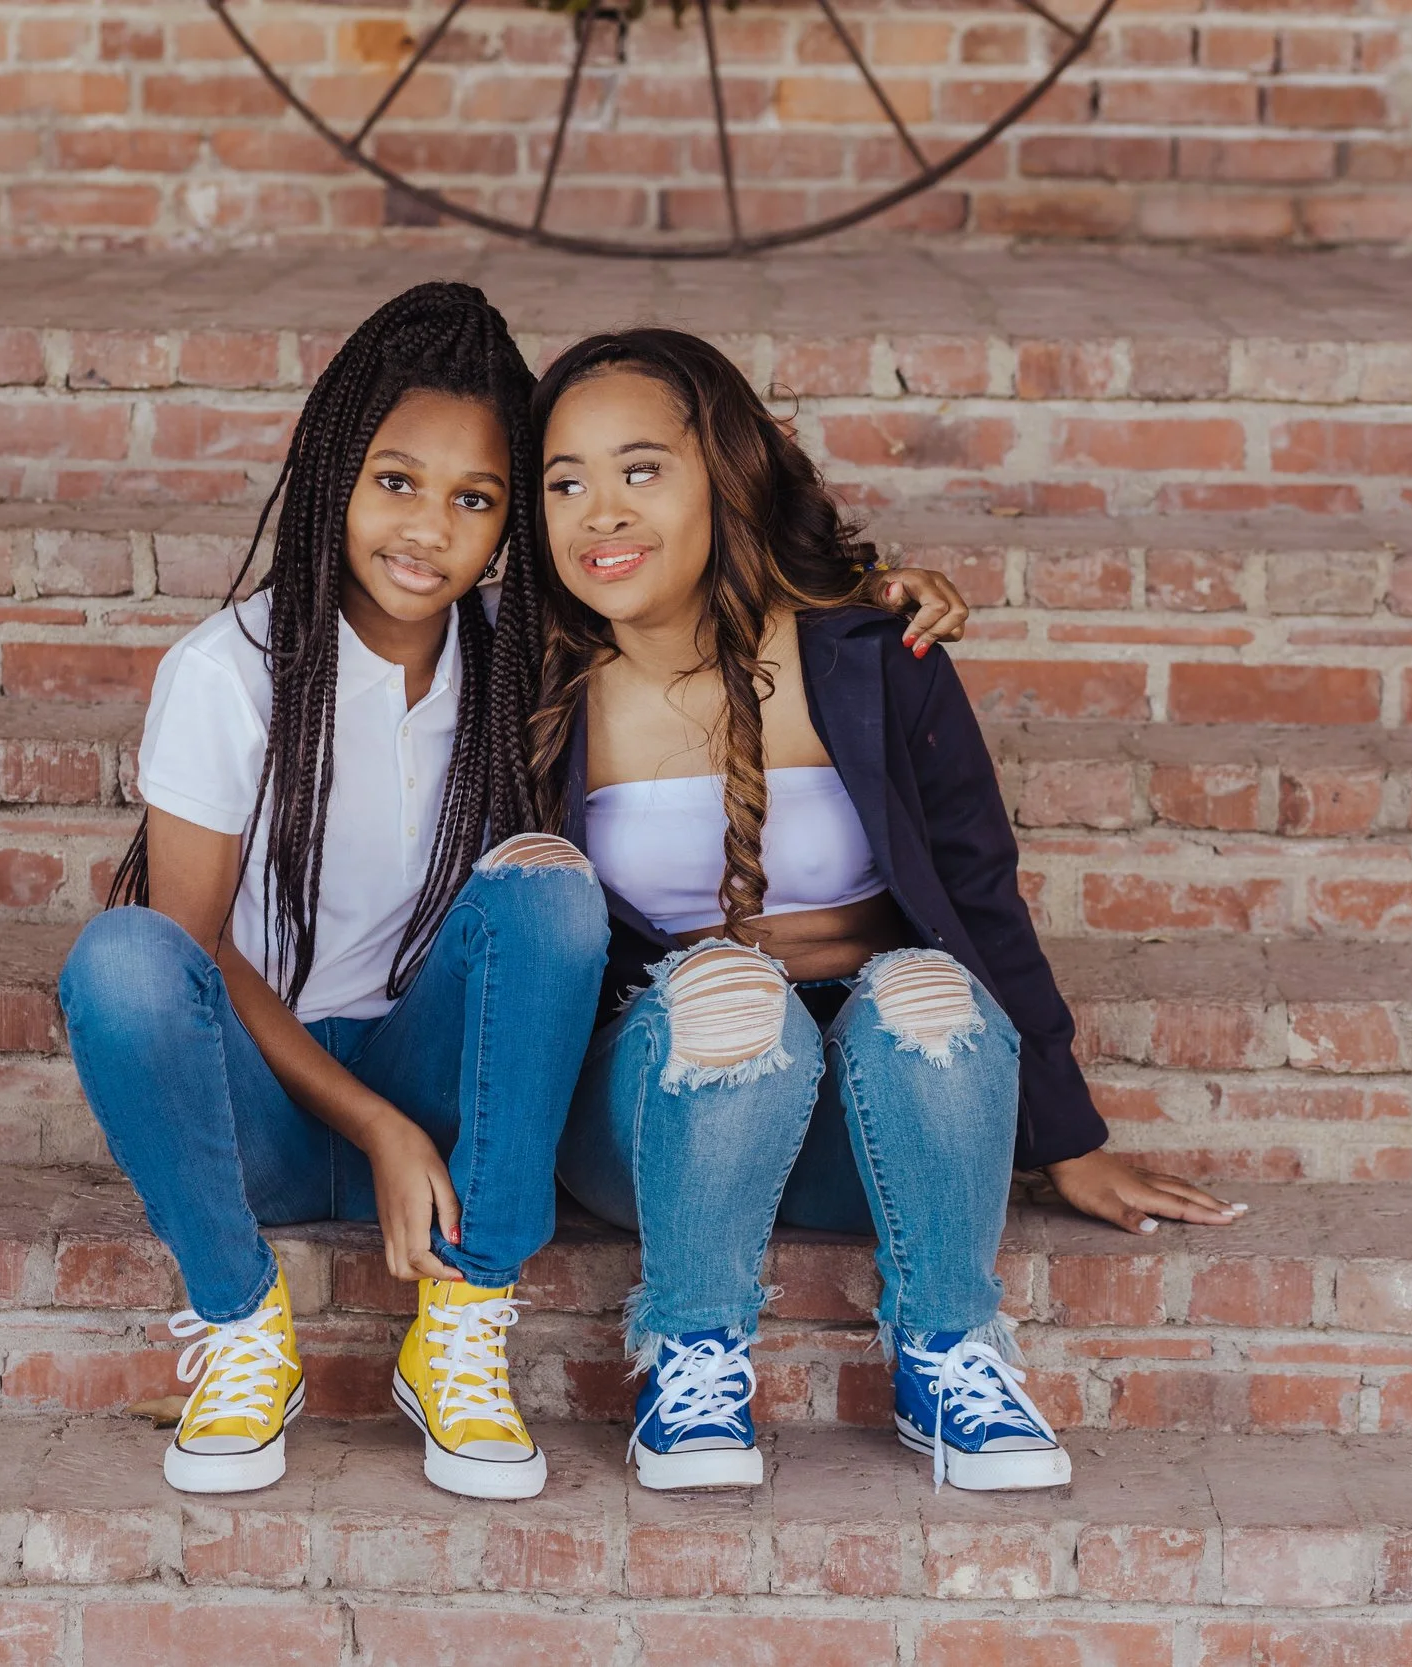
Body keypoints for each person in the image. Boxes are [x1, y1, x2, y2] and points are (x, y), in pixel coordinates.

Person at [61, 283, 978, 1500]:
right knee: (123, 954)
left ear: (509, 524)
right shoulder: (227, 671)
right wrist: (374, 1127)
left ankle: (464, 1318)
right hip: (263, 1114)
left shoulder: (523, 654)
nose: (427, 530)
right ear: (332, 470)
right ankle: (240, 1327)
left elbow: (706, 599)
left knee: (546, 890)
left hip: (451, 1099)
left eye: (476, 498)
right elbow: (195, 949)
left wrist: (864, 592)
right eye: (396, 482)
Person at [531, 330, 1245, 1494]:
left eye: (640, 470)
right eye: (565, 482)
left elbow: (977, 893)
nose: (600, 511)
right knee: (728, 991)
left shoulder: (874, 654)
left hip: (874, 1121)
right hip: (658, 1118)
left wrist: (1066, 1141)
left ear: (727, 473)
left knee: (926, 986)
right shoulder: (532, 680)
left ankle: (949, 1352)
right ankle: (692, 1351)